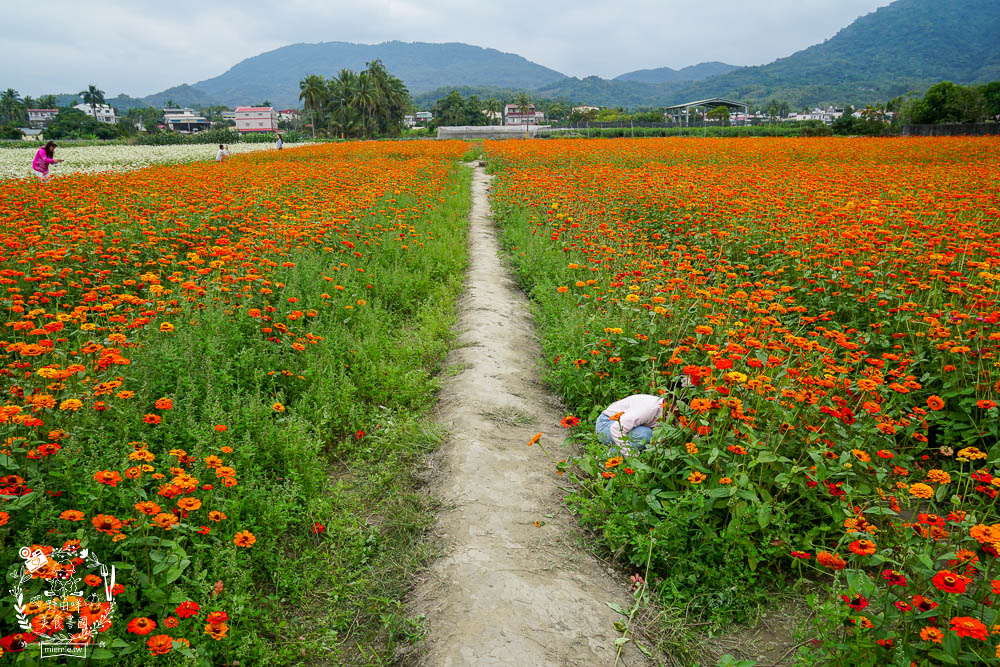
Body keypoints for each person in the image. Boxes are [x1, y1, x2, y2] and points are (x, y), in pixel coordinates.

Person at [596, 393, 678, 452]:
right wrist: (632, 457)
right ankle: (608, 456)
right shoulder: (649, 409)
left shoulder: (667, 410)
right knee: (646, 435)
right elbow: (616, 429)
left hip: (625, 426)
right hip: (607, 425)